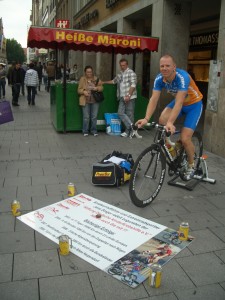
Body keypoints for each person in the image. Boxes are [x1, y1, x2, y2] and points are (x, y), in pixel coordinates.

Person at [136, 54, 203, 180]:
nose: (164, 68)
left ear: (174, 67)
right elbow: (154, 99)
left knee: (184, 138)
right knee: (162, 120)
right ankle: (171, 147)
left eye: (168, 66)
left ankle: (191, 164)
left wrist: (171, 122)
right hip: (179, 103)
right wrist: (146, 118)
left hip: (193, 105)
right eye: (162, 66)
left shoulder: (182, 77)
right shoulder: (159, 79)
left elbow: (179, 102)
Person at [103, 58, 141, 138]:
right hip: (122, 97)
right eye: (121, 65)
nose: (122, 67)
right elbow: (114, 81)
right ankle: (132, 128)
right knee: (120, 112)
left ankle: (128, 131)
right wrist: (103, 82)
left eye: (124, 65)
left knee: (130, 114)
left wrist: (128, 95)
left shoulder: (131, 73)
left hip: (130, 97)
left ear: (127, 65)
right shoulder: (120, 74)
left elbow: (133, 85)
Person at [78, 65, 103, 136]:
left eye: (90, 72)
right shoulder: (82, 79)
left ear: (92, 72)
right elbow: (78, 90)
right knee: (86, 117)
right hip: (85, 100)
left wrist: (97, 88)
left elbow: (102, 87)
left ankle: (93, 130)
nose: (89, 73)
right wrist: (83, 92)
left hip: (95, 101)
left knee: (94, 117)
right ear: (85, 72)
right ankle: (85, 131)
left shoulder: (96, 79)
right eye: (87, 72)